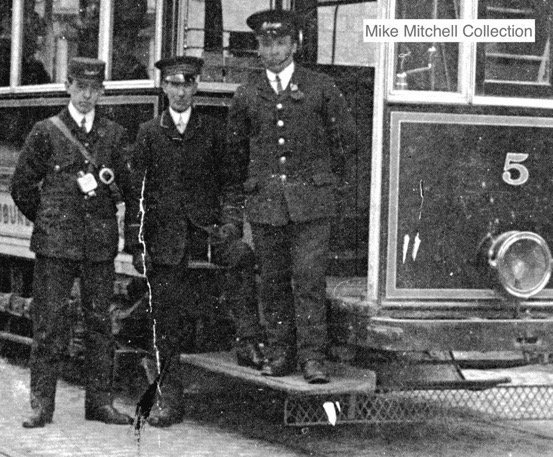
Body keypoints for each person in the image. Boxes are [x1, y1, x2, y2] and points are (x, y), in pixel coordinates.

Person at [126, 56, 264, 427]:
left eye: (187, 84)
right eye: (173, 84)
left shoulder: (213, 132)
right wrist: (137, 246)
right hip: (166, 239)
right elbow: (137, 195)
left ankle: (248, 341)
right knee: (166, 318)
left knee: (241, 256)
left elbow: (231, 185)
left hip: (206, 235)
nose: (181, 91)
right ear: (164, 88)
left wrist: (231, 223)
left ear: (196, 86)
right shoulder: (149, 133)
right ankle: (170, 401)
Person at [226, 9, 357, 384]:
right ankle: (280, 352)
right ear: (258, 48)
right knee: (273, 281)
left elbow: (346, 144)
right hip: (267, 205)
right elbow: (236, 155)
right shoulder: (247, 94)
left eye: (281, 42)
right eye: (266, 43)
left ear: (295, 44)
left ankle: (313, 358)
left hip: (312, 206)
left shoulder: (321, 88)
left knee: (309, 281)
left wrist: (333, 191)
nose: (274, 50)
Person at [11, 57, 134, 428]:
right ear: (68, 87)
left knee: (100, 324)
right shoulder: (45, 132)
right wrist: (50, 220)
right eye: (80, 87)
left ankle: (100, 404)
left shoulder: (113, 135)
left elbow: (125, 186)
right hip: (55, 246)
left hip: (98, 246)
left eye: (94, 89)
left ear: (102, 92)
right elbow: (22, 187)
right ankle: (41, 405)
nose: (86, 95)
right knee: (49, 324)